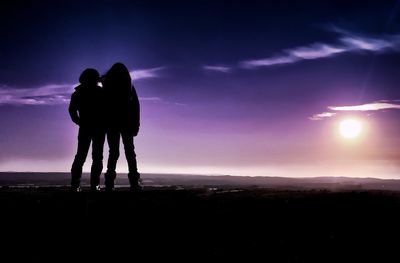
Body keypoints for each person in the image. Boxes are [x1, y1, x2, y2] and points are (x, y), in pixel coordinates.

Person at [102, 62, 141, 192]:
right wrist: (136, 125)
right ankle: (134, 183)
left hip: (112, 124)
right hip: (127, 123)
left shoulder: (106, 87)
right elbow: (136, 107)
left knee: (114, 153)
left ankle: (109, 184)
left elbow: (102, 108)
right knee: (130, 153)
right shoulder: (129, 87)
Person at [69, 68, 105, 192]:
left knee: (81, 156)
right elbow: (72, 111)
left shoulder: (78, 93)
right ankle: (93, 185)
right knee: (94, 157)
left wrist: (79, 122)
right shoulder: (100, 92)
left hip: (87, 128)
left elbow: (72, 111)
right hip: (97, 128)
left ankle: (76, 185)